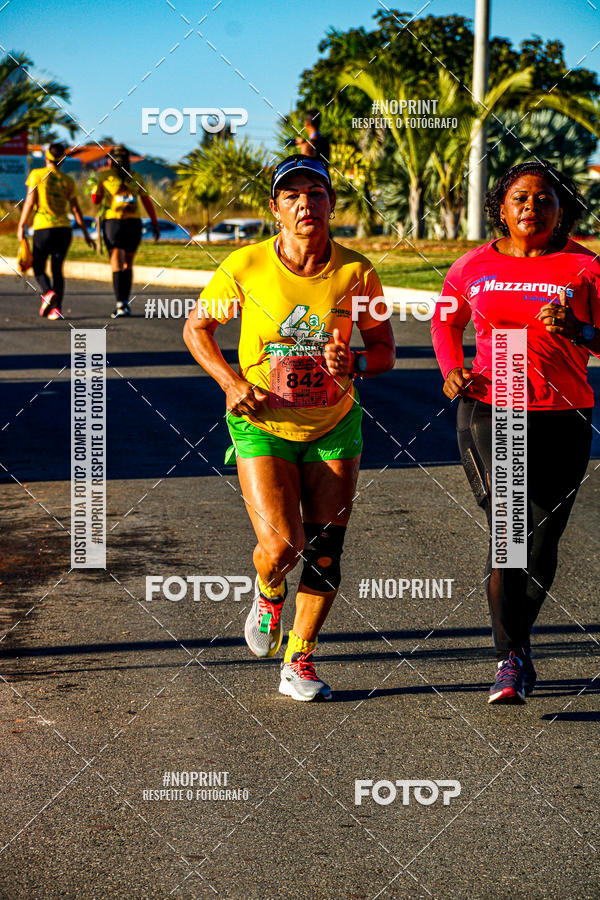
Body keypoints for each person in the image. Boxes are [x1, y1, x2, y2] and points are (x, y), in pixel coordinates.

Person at [183, 155, 395, 701]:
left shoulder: (355, 271)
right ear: (275, 208)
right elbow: (198, 328)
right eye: (293, 195)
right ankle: (269, 590)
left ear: (330, 203)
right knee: (281, 546)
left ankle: (298, 659)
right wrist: (231, 384)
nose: (307, 204)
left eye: (317, 193)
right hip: (262, 422)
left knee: (325, 550)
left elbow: (385, 350)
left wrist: (358, 364)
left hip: (334, 424)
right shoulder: (247, 266)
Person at [431, 160, 600, 705]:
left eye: (544, 198)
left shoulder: (585, 266)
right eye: (521, 198)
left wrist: (581, 330)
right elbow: (445, 320)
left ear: (560, 206)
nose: (532, 207)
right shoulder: (472, 265)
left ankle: (519, 647)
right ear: (501, 207)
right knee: (509, 529)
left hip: (565, 409)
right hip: (493, 398)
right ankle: (509, 657)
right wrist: (451, 367)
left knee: (543, 538)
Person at [17, 142, 93, 319]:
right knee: (58, 269)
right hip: (64, 229)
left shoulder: (36, 175)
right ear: (62, 161)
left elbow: (29, 202)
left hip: (43, 227)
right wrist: (86, 233)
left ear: (46, 158)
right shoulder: (68, 181)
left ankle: (48, 292)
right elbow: (76, 210)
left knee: (38, 267)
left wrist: (22, 225)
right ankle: (56, 309)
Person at [91, 145, 160, 318]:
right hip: (133, 223)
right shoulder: (136, 177)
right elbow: (147, 202)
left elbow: (95, 199)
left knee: (116, 262)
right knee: (128, 263)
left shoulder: (105, 176)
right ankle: (125, 303)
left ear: (110, 161)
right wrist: (155, 223)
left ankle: (120, 303)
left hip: (114, 223)